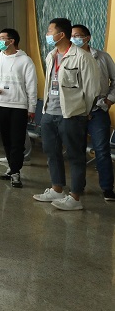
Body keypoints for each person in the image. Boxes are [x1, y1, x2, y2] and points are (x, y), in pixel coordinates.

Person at [31, 18, 103, 210]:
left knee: (75, 155)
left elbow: (92, 89)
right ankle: (57, 189)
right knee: (51, 152)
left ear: (61, 34)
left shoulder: (82, 57)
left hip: (71, 114)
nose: (47, 34)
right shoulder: (51, 55)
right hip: (49, 112)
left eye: (50, 31)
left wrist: (83, 110)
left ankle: (75, 197)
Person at [0, 28, 37, 188]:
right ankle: (11, 167)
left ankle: (16, 172)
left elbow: (31, 86)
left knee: (17, 140)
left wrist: (32, 107)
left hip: (18, 106)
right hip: (0, 104)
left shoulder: (25, 60)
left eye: (2, 38)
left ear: (12, 41)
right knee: (6, 139)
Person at [70, 24, 115, 201]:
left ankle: (107, 188)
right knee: (77, 150)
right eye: (72, 36)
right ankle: (78, 186)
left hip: (98, 111)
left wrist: (109, 100)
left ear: (87, 38)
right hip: (76, 111)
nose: (74, 39)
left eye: (77, 36)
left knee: (102, 150)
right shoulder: (69, 57)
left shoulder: (102, 57)